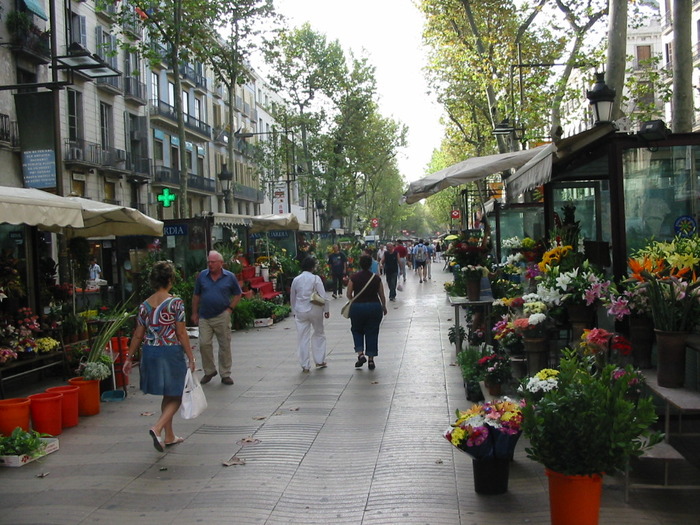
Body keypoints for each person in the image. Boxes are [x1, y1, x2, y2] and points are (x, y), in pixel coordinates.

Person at [123, 261, 196, 452]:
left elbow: (138, 334)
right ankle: (157, 428)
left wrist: (129, 357)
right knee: (179, 392)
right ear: (170, 279)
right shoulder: (176, 303)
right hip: (170, 351)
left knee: (168, 393)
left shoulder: (144, 305)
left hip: (150, 352)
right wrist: (191, 356)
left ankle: (170, 436)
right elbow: (181, 333)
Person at [191, 250, 242, 385]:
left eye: (213, 262)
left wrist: (229, 309)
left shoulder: (229, 277)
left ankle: (225, 373)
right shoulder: (202, 276)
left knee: (224, 344)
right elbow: (196, 295)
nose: (210, 264)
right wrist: (194, 312)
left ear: (221, 263)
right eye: (208, 262)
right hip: (205, 316)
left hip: (221, 315)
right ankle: (209, 371)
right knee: (204, 344)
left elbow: (238, 294)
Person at [347, 254, 387, 370]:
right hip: (374, 307)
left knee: (356, 330)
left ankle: (360, 354)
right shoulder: (376, 278)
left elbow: (348, 294)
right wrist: (383, 307)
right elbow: (382, 295)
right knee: (372, 332)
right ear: (370, 265)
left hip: (357, 307)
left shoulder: (354, 278)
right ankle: (371, 360)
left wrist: (354, 301)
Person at [290, 256, 330, 372]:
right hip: (315, 309)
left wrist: (294, 311)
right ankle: (319, 360)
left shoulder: (296, 280)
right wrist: (326, 310)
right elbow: (323, 296)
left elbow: (293, 297)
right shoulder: (316, 278)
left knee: (302, 337)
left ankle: (305, 365)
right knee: (319, 333)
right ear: (313, 267)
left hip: (300, 311)